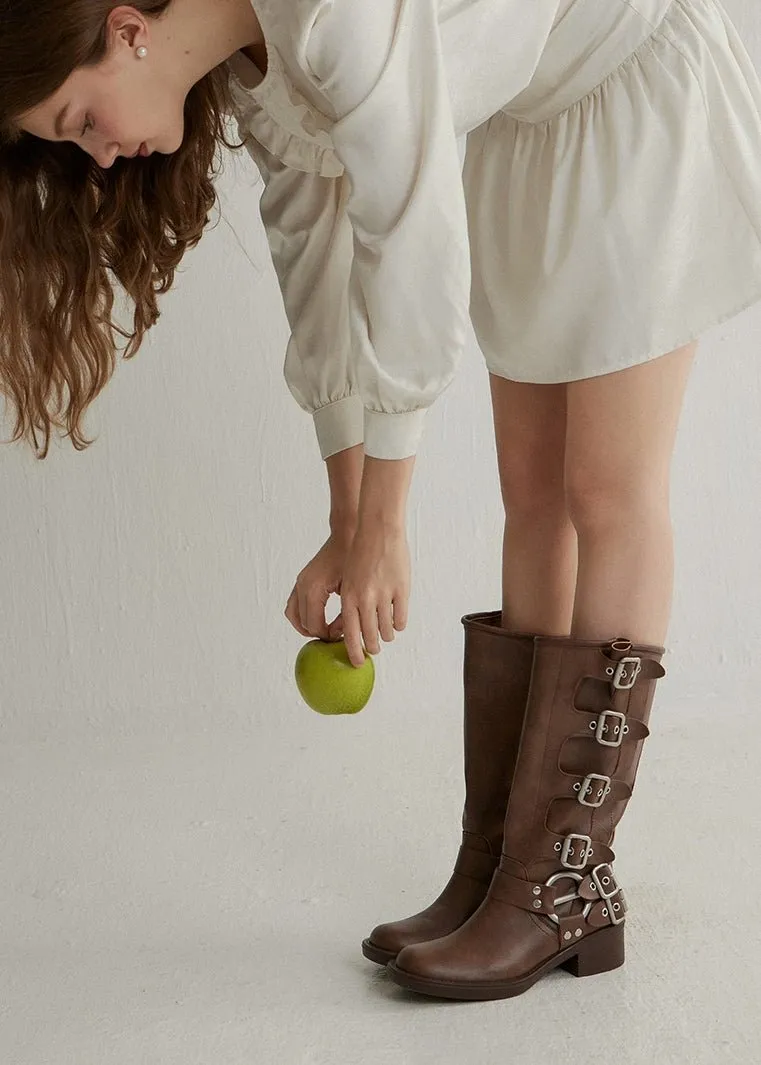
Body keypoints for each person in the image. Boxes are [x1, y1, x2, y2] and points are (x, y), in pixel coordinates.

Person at [2, 0, 760, 1001]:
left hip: (625, 82)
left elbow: (406, 244)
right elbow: (313, 264)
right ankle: (503, 867)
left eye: (77, 120)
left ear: (124, 30)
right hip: (526, 126)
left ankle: (565, 883)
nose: (98, 155)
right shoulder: (251, 68)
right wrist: (346, 520)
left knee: (606, 491)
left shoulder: (325, 13)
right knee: (532, 495)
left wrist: (389, 528)